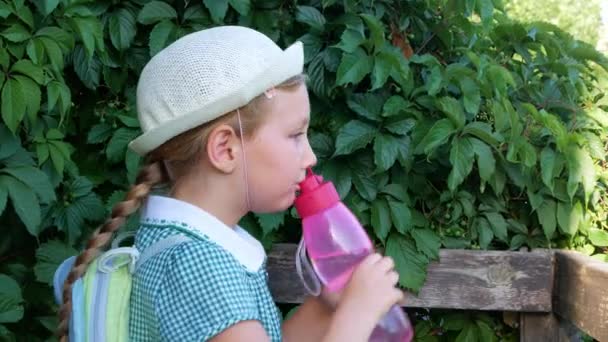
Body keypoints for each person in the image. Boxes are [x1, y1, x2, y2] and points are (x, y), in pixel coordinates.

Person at [57, 25, 404, 342]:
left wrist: (325, 309)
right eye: (295, 135)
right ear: (225, 149)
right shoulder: (197, 265)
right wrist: (357, 315)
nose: (311, 156)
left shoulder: (191, 244)